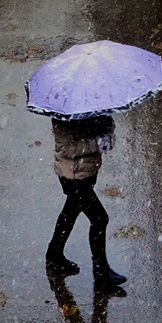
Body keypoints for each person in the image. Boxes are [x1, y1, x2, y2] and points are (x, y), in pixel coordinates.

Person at [45, 115, 127, 287]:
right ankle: (101, 271)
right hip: (73, 177)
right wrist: (95, 143)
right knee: (99, 218)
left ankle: (54, 254)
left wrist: (107, 128)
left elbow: (97, 131)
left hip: (86, 172)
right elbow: (67, 149)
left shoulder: (89, 108)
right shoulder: (63, 114)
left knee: (71, 211)